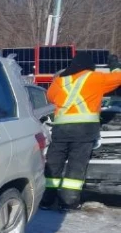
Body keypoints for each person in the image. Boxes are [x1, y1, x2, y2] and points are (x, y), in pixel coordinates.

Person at [42, 51, 121, 210]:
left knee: (53, 163)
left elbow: (50, 97)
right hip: (84, 131)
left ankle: (46, 200)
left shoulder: (60, 80)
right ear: (89, 66)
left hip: (61, 130)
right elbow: (118, 78)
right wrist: (115, 65)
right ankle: (68, 202)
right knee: (76, 166)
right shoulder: (96, 78)